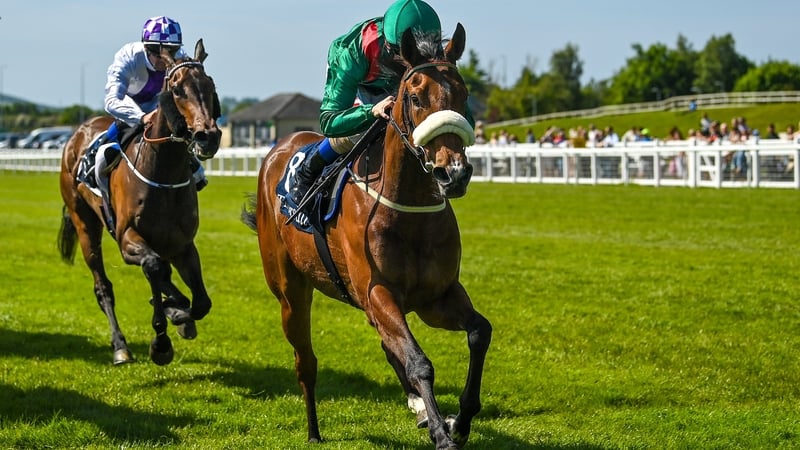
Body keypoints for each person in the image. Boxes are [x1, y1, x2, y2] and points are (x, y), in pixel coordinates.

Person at [289, 0, 471, 205]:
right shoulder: (351, 53)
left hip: (405, 87)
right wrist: (370, 111)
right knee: (362, 131)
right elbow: (329, 122)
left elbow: (458, 112)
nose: (413, 59)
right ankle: (308, 169)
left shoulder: (432, 55)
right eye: (406, 53)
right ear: (389, 45)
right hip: (362, 85)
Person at [92, 16, 207, 196]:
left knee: (197, 171)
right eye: (160, 53)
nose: (166, 59)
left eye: (172, 51)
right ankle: (94, 168)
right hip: (129, 107)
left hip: (160, 107)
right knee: (102, 157)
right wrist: (141, 117)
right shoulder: (128, 56)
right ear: (147, 48)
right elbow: (112, 100)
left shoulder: (181, 58)